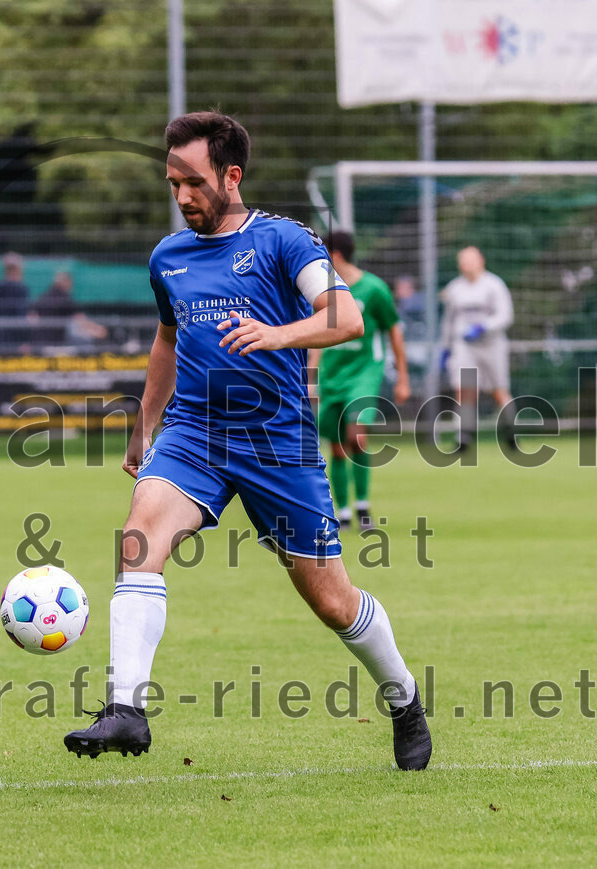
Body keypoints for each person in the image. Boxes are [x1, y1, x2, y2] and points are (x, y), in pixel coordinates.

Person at [64, 111, 431, 771]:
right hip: (194, 433)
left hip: (276, 441)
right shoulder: (167, 257)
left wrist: (276, 334)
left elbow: (346, 316)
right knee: (139, 539)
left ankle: (403, 697)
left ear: (231, 176)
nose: (182, 196)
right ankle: (126, 709)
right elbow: (168, 340)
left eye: (194, 182)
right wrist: (145, 421)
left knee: (332, 601)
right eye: (173, 183)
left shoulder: (284, 240)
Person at [308, 231, 410, 532]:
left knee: (356, 435)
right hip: (332, 376)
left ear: (336, 255)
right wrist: (311, 375)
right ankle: (344, 511)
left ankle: (363, 504)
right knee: (337, 446)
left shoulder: (374, 289)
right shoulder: (323, 291)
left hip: (364, 373)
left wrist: (403, 377)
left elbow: (394, 331)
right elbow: (316, 333)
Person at [440, 246, 515, 452]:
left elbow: (505, 315)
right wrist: (446, 347)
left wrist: (483, 326)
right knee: (464, 390)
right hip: (465, 346)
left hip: (492, 345)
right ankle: (463, 437)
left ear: (480, 261)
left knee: (499, 391)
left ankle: (511, 432)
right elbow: (448, 321)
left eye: (469, 261)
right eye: (462, 261)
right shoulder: (455, 288)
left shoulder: (494, 285)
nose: (466, 265)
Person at [31, 271, 109, 345]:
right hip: (57, 342)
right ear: (65, 282)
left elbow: (32, 318)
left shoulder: (43, 296)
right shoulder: (64, 298)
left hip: (39, 342)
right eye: (70, 282)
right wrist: (98, 330)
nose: (71, 285)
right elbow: (81, 320)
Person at [0, 251, 30, 351]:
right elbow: (21, 315)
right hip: (16, 342)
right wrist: (24, 340)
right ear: (18, 269)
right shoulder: (21, 288)